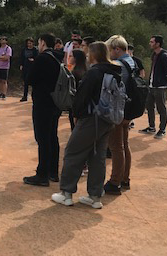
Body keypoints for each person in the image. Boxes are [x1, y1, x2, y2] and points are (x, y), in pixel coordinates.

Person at [51, 42, 122, 209]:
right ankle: (95, 196)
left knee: (73, 152)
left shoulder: (94, 73)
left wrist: (76, 115)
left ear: (94, 55)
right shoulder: (115, 71)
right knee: (97, 157)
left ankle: (66, 193)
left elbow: (81, 98)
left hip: (91, 119)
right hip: (108, 119)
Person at [23, 33, 63, 187]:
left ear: (43, 43)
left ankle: (42, 174)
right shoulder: (58, 57)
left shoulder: (42, 58)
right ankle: (53, 172)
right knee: (53, 136)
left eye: (39, 42)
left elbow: (30, 79)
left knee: (42, 138)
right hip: (55, 102)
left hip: (42, 102)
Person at [103, 35, 134, 195]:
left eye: (110, 50)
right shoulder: (132, 62)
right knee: (124, 145)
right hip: (128, 110)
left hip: (118, 110)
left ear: (117, 49)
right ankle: (124, 178)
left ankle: (115, 181)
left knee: (116, 146)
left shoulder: (119, 65)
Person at [139, 35, 167, 138]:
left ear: (158, 44)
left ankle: (162, 130)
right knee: (149, 105)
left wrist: (165, 85)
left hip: (160, 86)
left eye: (152, 42)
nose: (150, 43)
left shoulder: (164, 56)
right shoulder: (154, 55)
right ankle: (151, 127)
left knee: (161, 108)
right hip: (152, 85)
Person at [67, 49, 88, 130]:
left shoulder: (75, 73)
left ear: (76, 58)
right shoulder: (85, 71)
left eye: (71, 56)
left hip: (76, 105)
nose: (69, 57)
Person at [19, 38, 38, 102]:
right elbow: (22, 57)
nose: (29, 44)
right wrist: (21, 65)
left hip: (32, 67)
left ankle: (34, 96)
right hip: (25, 67)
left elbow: (38, 57)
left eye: (30, 43)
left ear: (33, 43)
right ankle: (25, 96)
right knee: (25, 82)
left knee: (33, 83)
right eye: (28, 43)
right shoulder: (24, 49)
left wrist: (34, 60)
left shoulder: (35, 50)